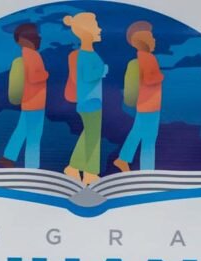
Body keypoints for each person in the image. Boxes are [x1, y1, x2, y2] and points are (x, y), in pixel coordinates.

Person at [62, 12, 108, 184]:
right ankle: (88, 172)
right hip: (89, 101)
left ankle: (77, 169)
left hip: (91, 100)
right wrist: (102, 70)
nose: (100, 29)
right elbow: (87, 76)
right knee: (92, 136)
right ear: (86, 31)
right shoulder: (86, 54)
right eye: (96, 26)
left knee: (89, 135)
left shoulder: (88, 53)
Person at [112, 21, 163, 172]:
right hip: (150, 106)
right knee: (149, 139)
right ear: (143, 41)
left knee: (138, 132)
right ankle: (147, 171)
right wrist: (160, 76)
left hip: (145, 104)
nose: (154, 40)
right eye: (151, 37)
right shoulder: (148, 58)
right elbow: (149, 79)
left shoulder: (141, 57)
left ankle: (123, 159)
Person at [0, 23, 48, 169]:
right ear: (25, 39)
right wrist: (46, 74)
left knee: (21, 131)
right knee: (34, 138)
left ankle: (8, 158)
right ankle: (32, 168)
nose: (39, 37)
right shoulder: (33, 55)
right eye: (36, 34)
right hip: (36, 103)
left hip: (28, 102)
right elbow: (34, 77)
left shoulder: (25, 54)